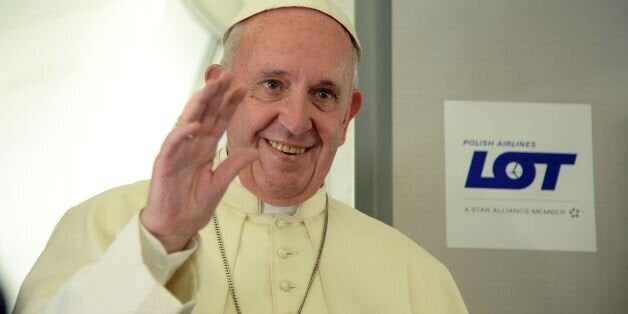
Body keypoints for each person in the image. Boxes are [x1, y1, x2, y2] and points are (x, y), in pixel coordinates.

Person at [14, 0, 468, 313]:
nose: (295, 120)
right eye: (272, 84)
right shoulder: (101, 223)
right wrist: (158, 243)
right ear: (220, 90)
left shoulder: (420, 280)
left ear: (348, 114)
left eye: (324, 93)